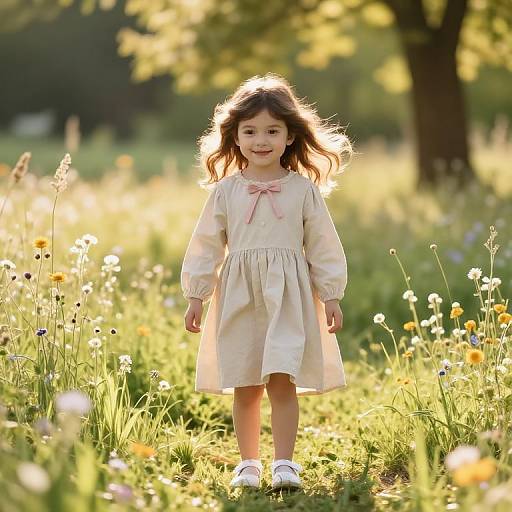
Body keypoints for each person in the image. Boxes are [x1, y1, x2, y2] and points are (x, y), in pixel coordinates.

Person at [181, 72, 352, 491]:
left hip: (288, 298)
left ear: (290, 136)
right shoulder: (225, 192)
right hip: (239, 296)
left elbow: (323, 244)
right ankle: (248, 463)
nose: (261, 140)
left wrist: (330, 294)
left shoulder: (302, 190)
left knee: (281, 379)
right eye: (251, 131)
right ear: (235, 137)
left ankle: (285, 464)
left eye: (272, 131)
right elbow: (205, 244)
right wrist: (197, 295)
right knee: (245, 382)